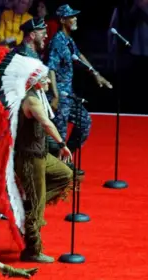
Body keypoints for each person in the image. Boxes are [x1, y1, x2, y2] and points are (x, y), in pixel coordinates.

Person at [0, 46, 75, 263]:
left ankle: (31, 207)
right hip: (29, 158)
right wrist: (62, 143)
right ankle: (32, 250)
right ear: (35, 81)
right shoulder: (32, 100)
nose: (47, 81)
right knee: (37, 202)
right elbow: (45, 123)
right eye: (44, 78)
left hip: (40, 155)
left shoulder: (38, 96)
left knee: (66, 175)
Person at [46, 4, 112, 173]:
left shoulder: (68, 40)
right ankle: (56, 168)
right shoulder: (57, 41)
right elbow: (51, 68)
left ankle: (63, 160)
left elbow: (79, 56)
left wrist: (96, 74)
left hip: (69, 95)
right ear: (62, 20)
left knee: (84, 123)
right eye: (71, 16)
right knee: (58, 134)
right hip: (60, 95)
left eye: (75, 16)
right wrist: (54, 95)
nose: (75, 19)